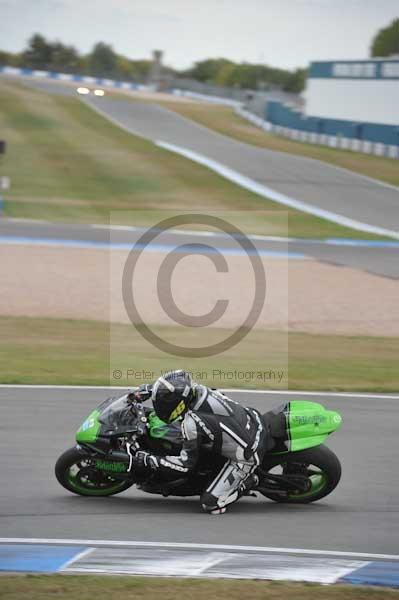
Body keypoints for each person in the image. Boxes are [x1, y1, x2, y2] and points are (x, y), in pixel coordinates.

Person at [130, 370, 268, 515]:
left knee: (210, 503)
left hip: (248, 454)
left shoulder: (191, 424)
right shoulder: (199, 390)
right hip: (253, 418)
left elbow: (185, 465)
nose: (161, 407)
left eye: (164, 405)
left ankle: (249, 481)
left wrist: (151, 459)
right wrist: (148, 391)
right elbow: (174, 389)